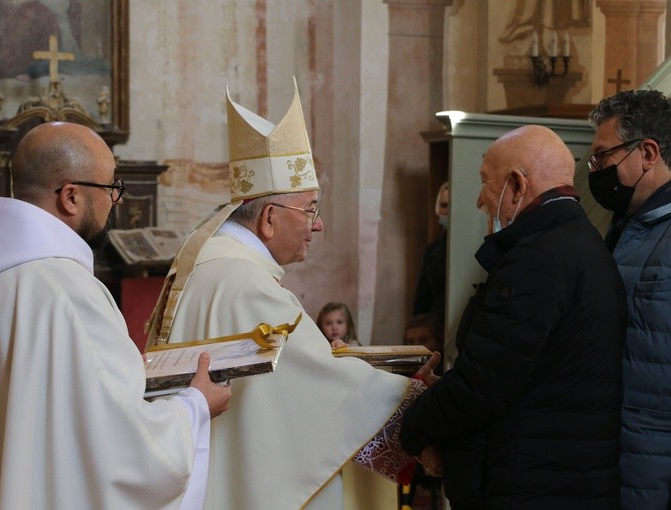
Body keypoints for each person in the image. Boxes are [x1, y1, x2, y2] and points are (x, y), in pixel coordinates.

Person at [147, 80, 434, 508]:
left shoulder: (211, 264)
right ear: (268, 219)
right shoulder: (248, 286)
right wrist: (412, 398)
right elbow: (319, 390)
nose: (317, 225)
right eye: (311, 209)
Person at [0, 121, 231, 509]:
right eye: (112, 187)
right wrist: (195, 406)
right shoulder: (67, 293)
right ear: (71, 197)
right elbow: (125, 446)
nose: (116, 201)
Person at [400, 125, 627, 509]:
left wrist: (414, 429)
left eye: (486, 183)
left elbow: (483, 387)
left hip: (532, 486)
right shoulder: (582, 243)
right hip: (566, 479)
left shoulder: (537, 260)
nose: (478, 200)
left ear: (518, 185)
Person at [588, 89, 671, 509]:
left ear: (648, 153)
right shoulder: (623, 228)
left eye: (603, 157)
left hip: (662, 481)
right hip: (613, 471)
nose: (596, 170)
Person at [412, 181, 448, 340]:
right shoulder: (433, 250)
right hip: (435, 329)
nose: (447, 211)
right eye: (444, 205)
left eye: (451, 205)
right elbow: (423, 298)